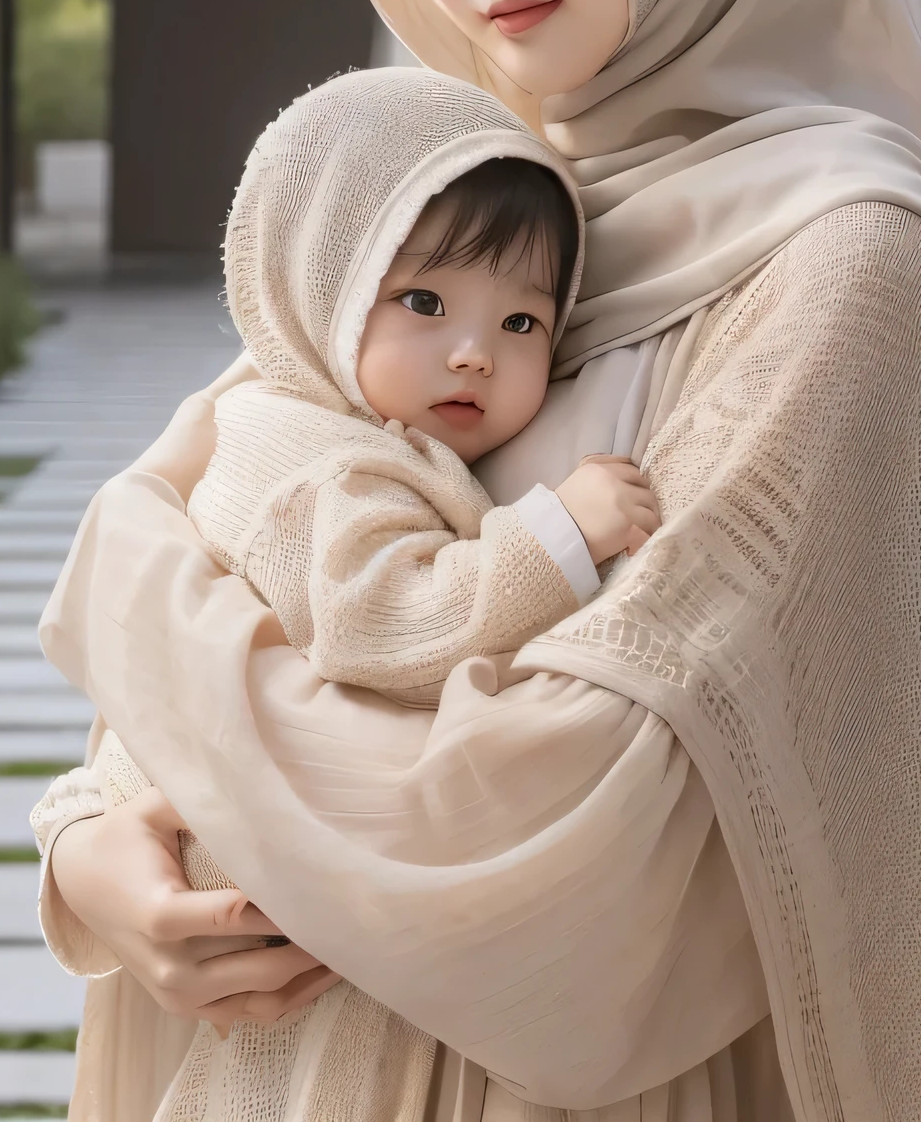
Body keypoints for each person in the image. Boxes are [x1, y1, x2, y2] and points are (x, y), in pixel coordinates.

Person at [36, 0, 921, 1122]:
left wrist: (133, 594)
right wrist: (94, 839)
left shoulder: (842, 264)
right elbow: (242, 516)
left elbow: (547, 835)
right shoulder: (468, 205)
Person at [33, 66, 658, 1120]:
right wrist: (557, 530)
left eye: (522, 322)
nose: (473, 351)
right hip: (275, 892)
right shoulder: (329, 467)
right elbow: (384, 619)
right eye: (422, 301)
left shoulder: (280, 412)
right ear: (317, 284)